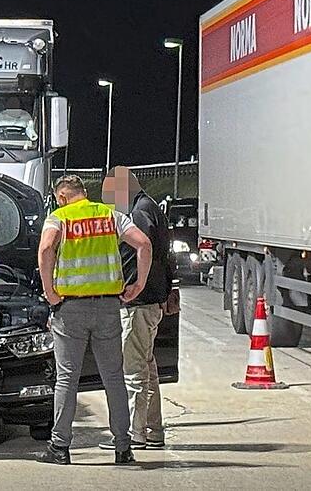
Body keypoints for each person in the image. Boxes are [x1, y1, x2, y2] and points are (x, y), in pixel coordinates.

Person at [35, 174, 152, 466]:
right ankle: (123, 447)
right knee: (113, 377)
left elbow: (47, 248)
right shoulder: (111, 215)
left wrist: (50, 292)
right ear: (84, 193)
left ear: (61, 197)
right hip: (108, 307)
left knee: (67, 379)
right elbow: (144, 244)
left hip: (70, 308)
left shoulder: (58, 218)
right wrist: (137, 285)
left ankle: (60, 447)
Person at [99, 167, 175, 450]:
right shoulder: (149, 207)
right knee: (147, 367)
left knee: (132, 371)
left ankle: (132, 434)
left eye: (111, 193)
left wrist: (129, 286)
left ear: (123, 189)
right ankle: (153, 430)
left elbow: (139, 251)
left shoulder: (140, 213)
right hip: (149, 300)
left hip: (137, 302)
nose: (109, 200)